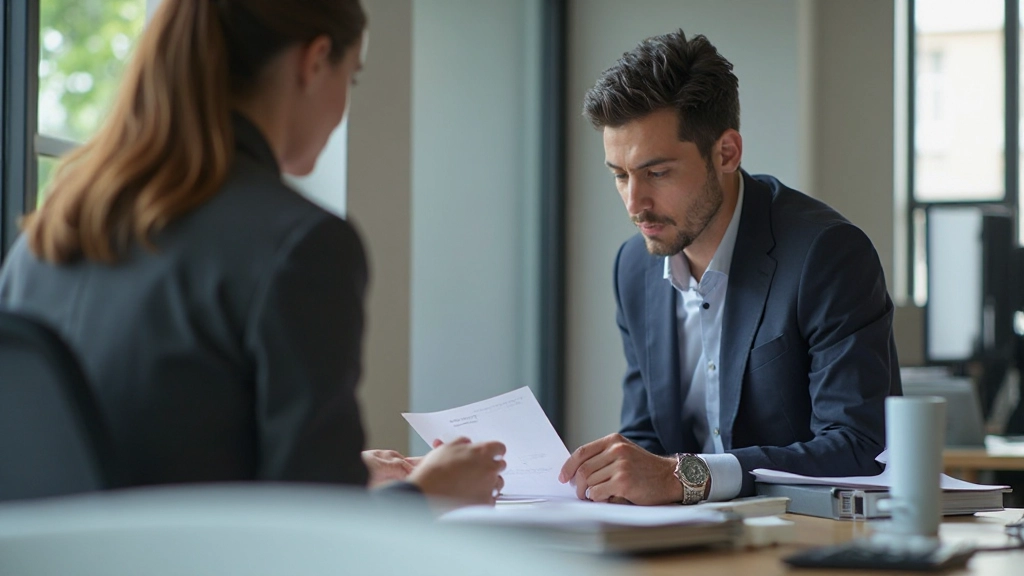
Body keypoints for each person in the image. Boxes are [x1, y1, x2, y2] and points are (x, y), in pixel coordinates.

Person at [0, 0, 503, 505]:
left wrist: (343, 474)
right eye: (350, 80)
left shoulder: (42, 242)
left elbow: (155, 456)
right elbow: (316, 535)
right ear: (314, 61)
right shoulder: (300, 245)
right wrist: (429, 492)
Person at [558, 29, 901, 505]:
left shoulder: (827, 254)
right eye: (620, 175)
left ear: (726, 153)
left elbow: (862, 447)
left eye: (657, 172)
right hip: (688, 542)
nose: (635, 204)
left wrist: (685, 477)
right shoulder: (634, 267)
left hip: (804, 537)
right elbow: (650, 438)